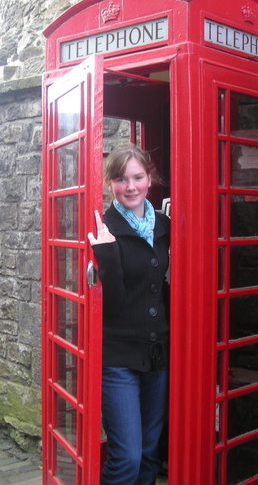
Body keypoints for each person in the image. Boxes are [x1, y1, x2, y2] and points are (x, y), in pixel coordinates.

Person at [87, 144, 170, 485]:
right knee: (127, 457)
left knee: (150, 452)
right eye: (121, 179)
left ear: (150, 179)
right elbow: (115, 302)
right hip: (118, 358)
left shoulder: (164, 225)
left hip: (157, 355)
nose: (131, 187)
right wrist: (107, 254)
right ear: (110, 184)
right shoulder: (106, 229)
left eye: (138, 177)